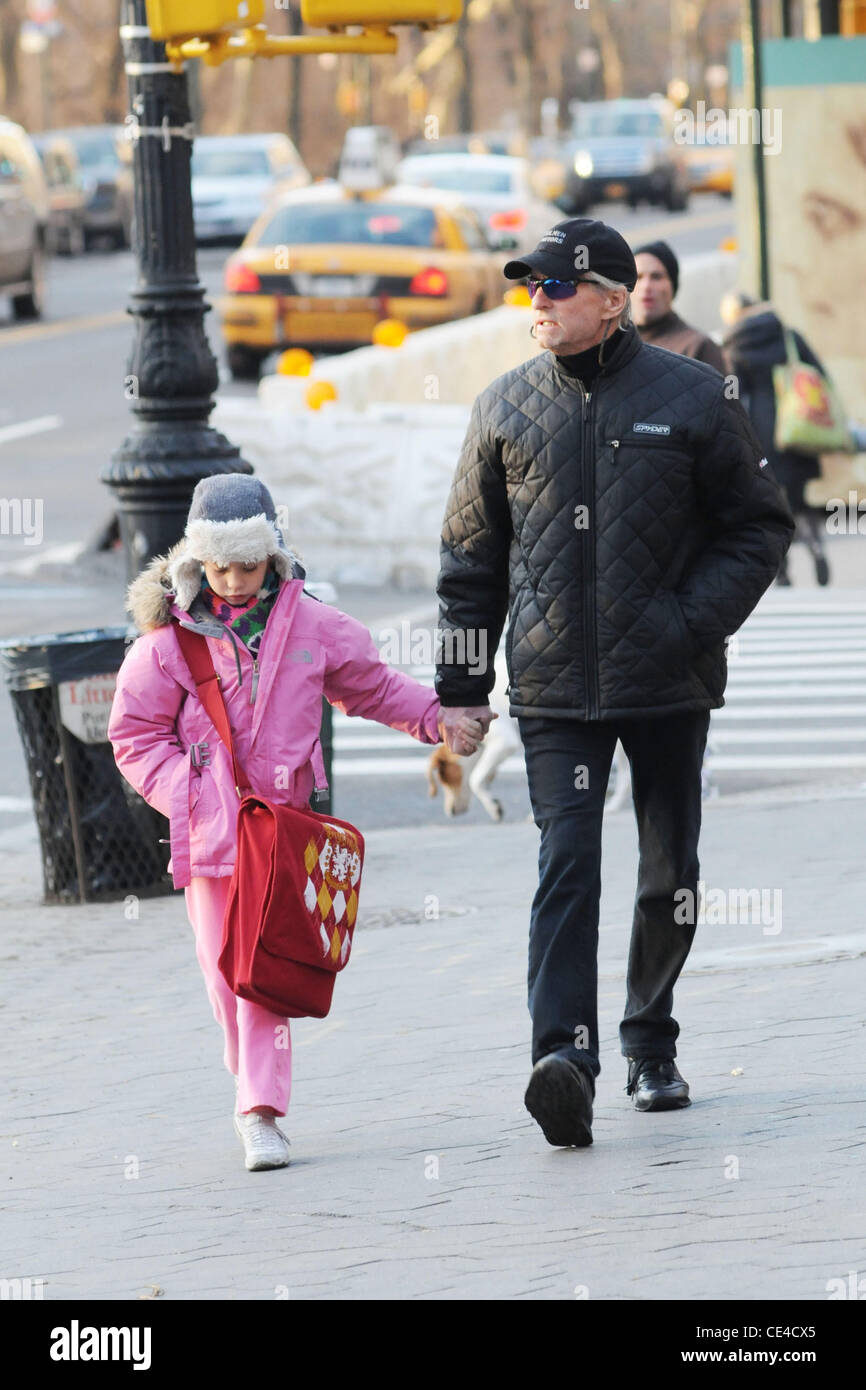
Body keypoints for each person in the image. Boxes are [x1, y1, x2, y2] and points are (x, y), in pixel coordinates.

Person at [435, 218, 794, 1148]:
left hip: (668, 677)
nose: (538, 303)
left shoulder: (692, 395)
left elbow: (758, 527)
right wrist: (462, 685)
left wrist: (687, 623)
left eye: (555, 288)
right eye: (531, 289)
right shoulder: (503, 407)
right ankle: (564, 1058)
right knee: (567, 865)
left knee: (669, 869)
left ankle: (651, 1041)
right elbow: (469, 560)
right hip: (553, 686)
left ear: (611, 295)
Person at [108, 474, 482, 1173]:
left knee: (263, 973)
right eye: (219, 566)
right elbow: (133, 734)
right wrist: (189, 794)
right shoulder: (167, 644)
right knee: (224, 978)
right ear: (196, 563)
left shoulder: (313, 626)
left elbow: (372, 686)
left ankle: (260, 1111)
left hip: (283, 834)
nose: (234, 579)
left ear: (273, 556)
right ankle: (249, 1085)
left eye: (248, 565)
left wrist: (441, 718)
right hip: (212, 836)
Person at [721, 291, 831, 586]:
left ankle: (782, 570)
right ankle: (817, 548)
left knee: (771, 506)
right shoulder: (789, 336)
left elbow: (735, 395)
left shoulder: (736, 345)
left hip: (762, 430)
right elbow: (819, 374)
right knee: (800, 500)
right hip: (797, 428)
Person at [632, 239, 726, 372]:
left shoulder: (698, 347)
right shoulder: (615, 344)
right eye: (638, 277)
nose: (646, 286)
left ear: (673, 285)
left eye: (656, 277)